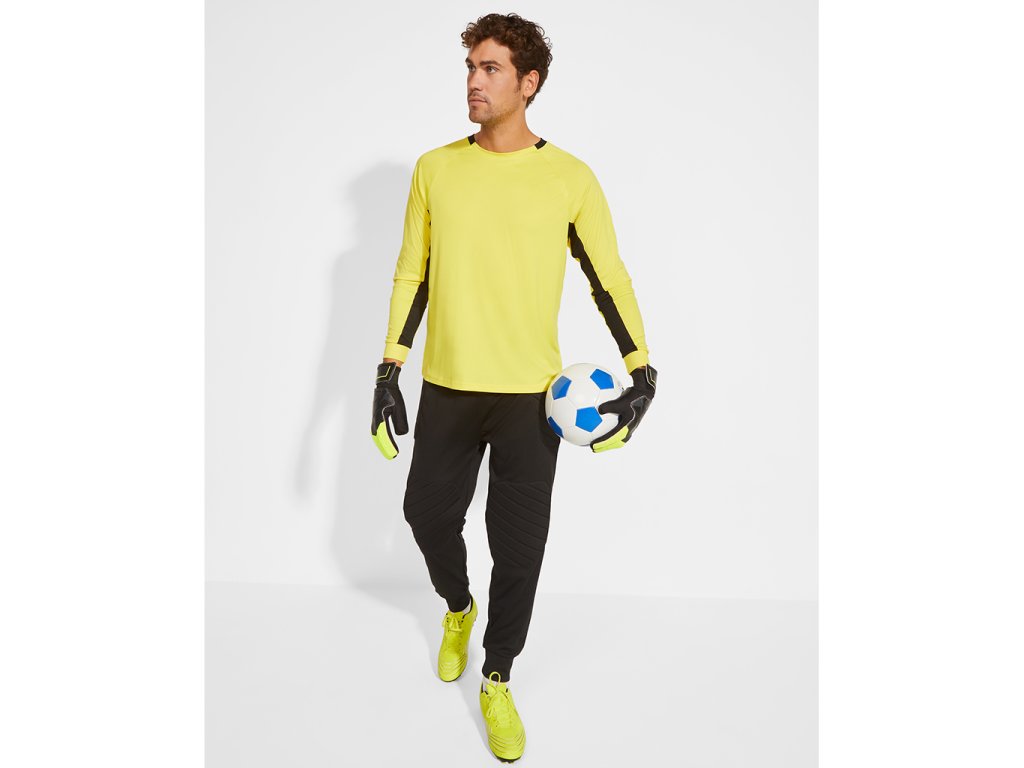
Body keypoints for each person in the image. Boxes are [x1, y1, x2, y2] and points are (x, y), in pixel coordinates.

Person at [370, 12, 657, 763]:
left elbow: (608, 278)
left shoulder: (569, 178)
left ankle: (497, 675)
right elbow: (410, 273)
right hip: (449, 385)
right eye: (471, 66)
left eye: (491, 68)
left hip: (533, 400)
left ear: (529, 83)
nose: (474, 80)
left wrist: (642, 370)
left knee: (519, 548)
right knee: (426, 514)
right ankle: (457, 607)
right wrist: (389, 367)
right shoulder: (435, 169)